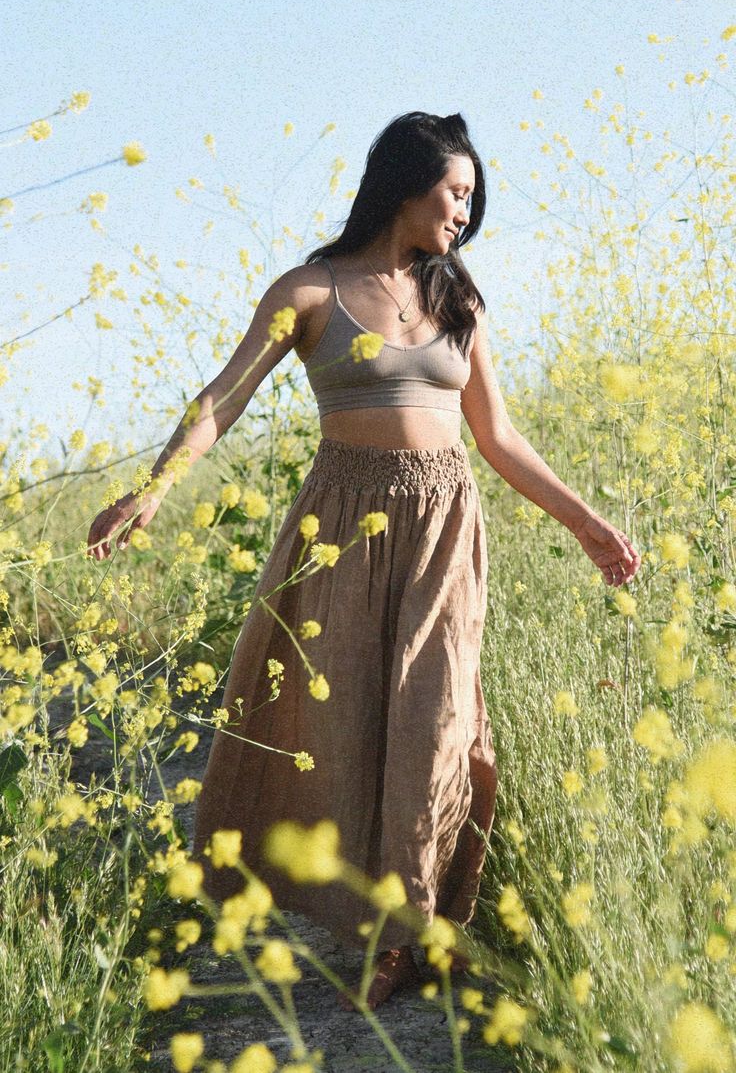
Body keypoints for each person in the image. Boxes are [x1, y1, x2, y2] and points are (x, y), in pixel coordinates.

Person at [86, 111, 641, 1012]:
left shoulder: (461, 299)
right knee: (337, 731)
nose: (465, 211)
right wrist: (155, 489)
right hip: (340, 526)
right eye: (454, 191)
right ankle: (361, 919)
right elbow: (222, 399)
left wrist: (586, 523)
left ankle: (412, 935)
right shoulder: (310, 291)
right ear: (404, 183)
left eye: (471, 196)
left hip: (444, 531)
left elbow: (498, 437)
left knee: (437, 724)